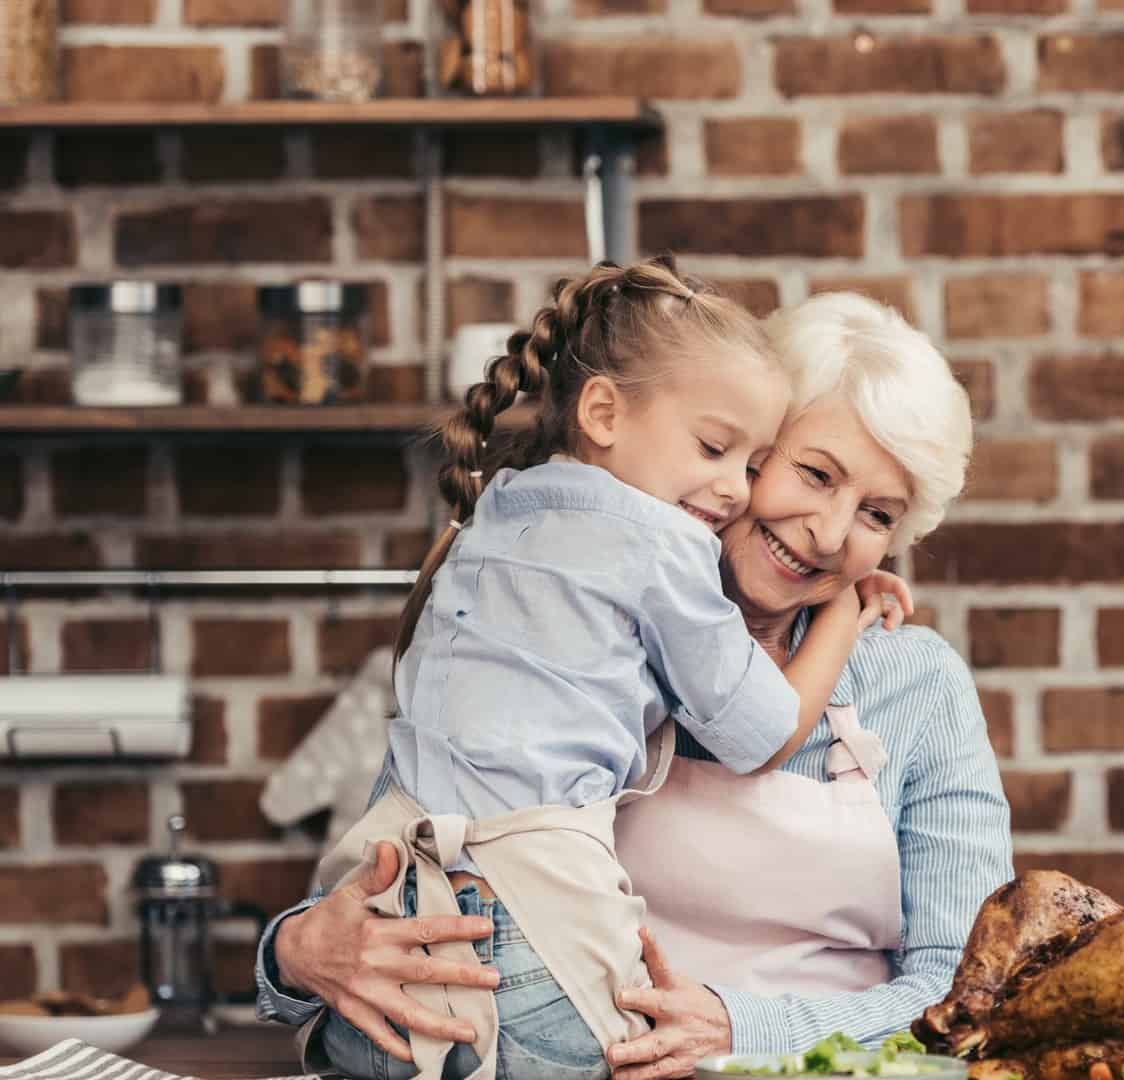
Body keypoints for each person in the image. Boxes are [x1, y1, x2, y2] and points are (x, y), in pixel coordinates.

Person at [256, 291, 1014, 1080]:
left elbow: (971, 997)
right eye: (812, 473)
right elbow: (422, 854)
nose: (828, 533)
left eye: (877, 515)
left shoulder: (916, 685)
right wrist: (294, 955)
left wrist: (740, 1025)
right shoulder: (563, 626)